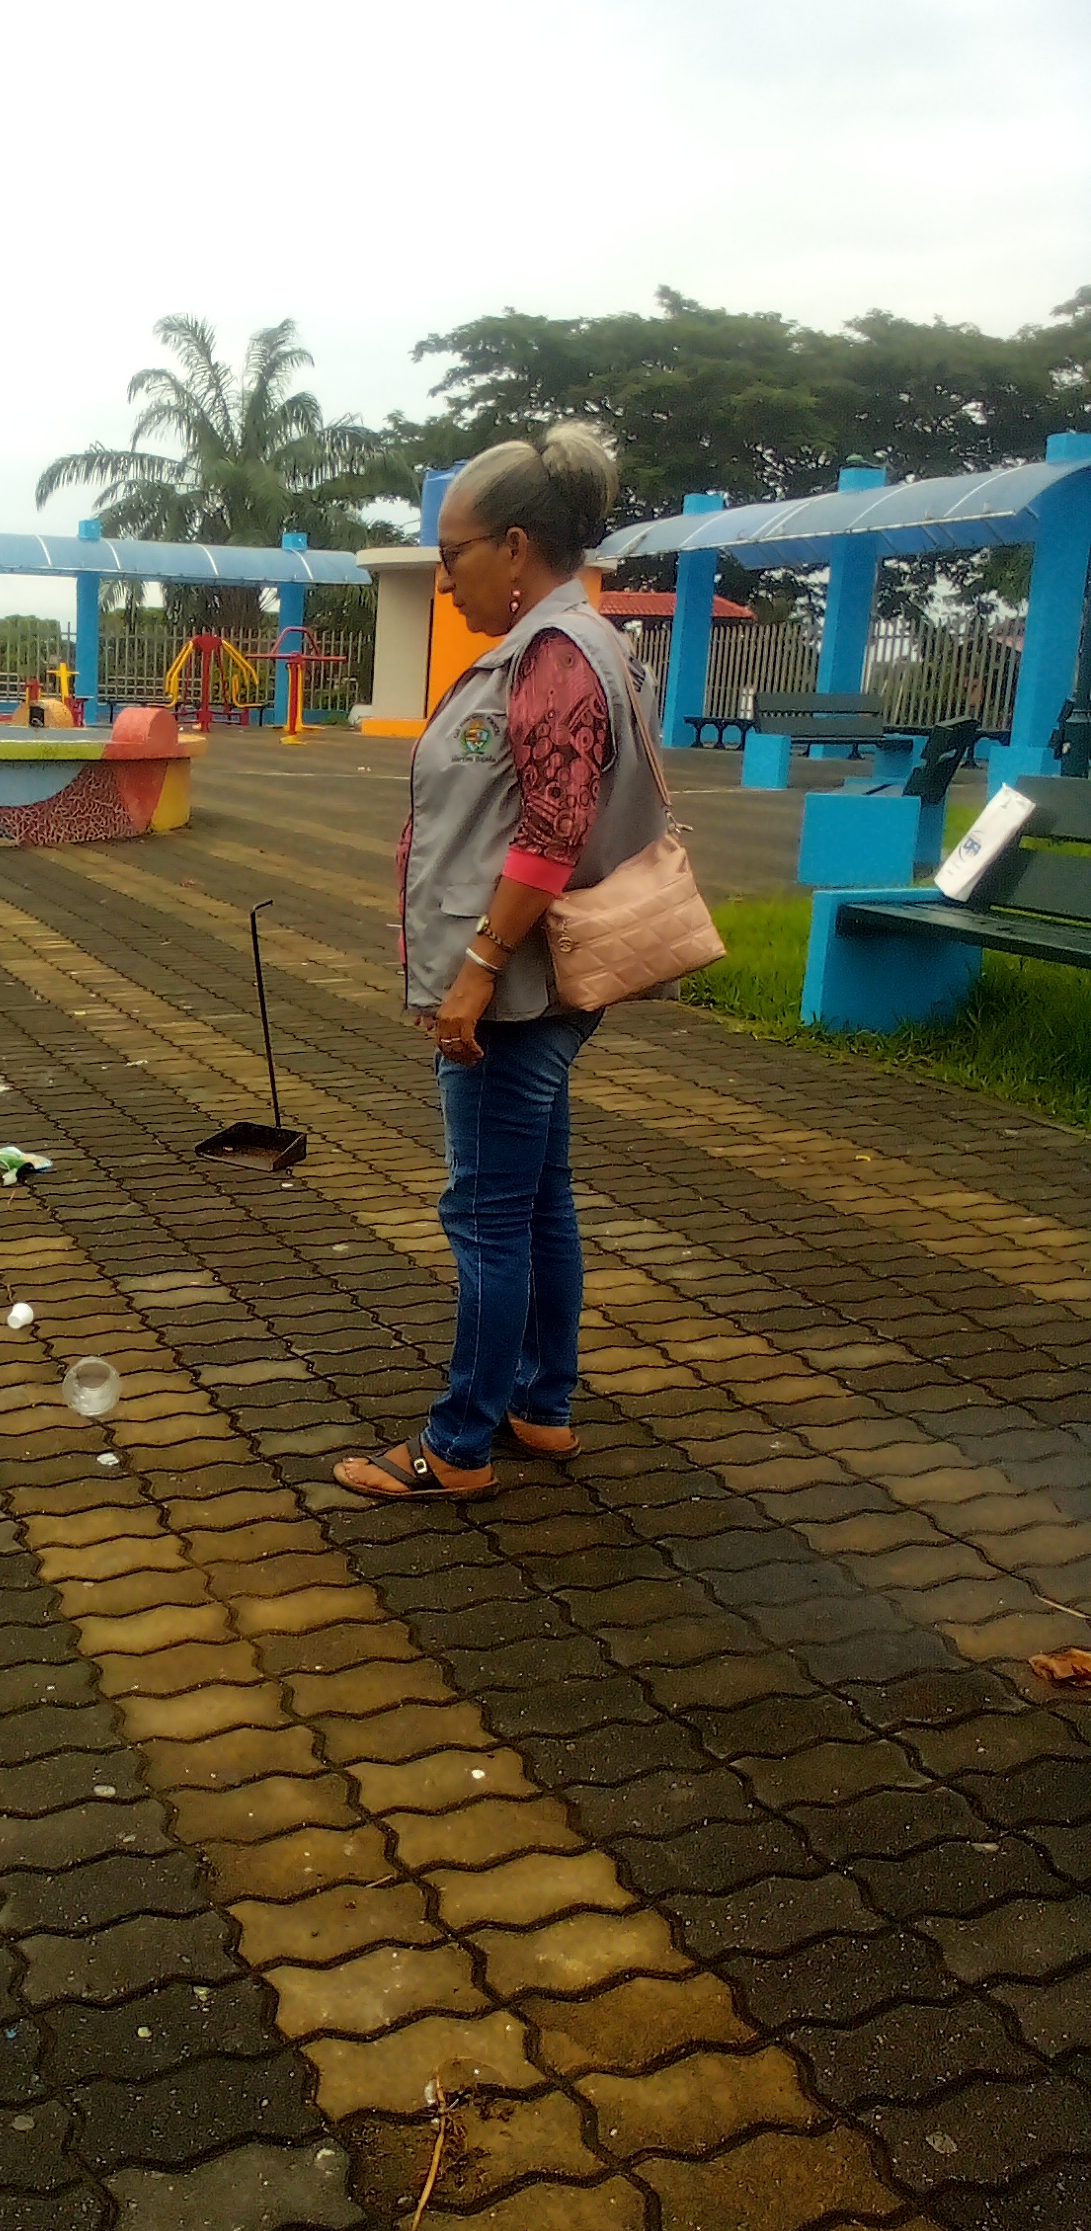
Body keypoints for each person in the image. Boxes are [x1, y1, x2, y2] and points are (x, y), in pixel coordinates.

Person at [335, 426, 665, 1503]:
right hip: (540, 983)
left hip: (515, 990)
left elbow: (551, 832)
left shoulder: (554, 654)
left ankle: (459, 1444)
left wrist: (475, 970)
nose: (445, 579)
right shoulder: (584, 644)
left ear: (515, 545)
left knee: (485, 1216)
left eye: (455, 554)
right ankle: (541, 1401)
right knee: (537, 1199)